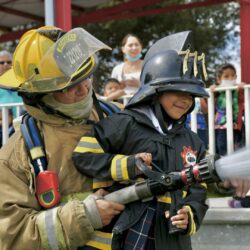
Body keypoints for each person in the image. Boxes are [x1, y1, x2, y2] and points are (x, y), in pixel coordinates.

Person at [73, 31, 210, 250]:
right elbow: (83, 155)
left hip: (172, 240)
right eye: (178, 91)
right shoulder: (124, 124)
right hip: (128, 234)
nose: (186, 100)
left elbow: (199, 188)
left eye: (192, 95)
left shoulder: (193, 141)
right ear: (155, 91)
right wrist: (127, 165)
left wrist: (190, 214)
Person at [0, 26, 125, 250]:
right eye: (68, 87)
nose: (84, 89)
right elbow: (12, 236)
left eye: (85, 76)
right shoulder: (15, 156)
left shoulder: (121, 117)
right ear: (38, 96)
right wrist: (84, 216)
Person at [210, 63, 245, 156]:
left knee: (235, 147)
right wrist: (212, 90)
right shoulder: (218, 91)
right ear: (218, 79)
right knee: (220, 146)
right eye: (226, 76)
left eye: (233, 76)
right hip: (220, 125)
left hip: (235, 125)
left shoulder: (237, 90)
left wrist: (242, 89)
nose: (230, 79)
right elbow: (209, 103)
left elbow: (243, 101)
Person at [0, 50, 23, 117]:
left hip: (23, 124)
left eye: (9, 62)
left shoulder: (22, 82)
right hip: (4, 126)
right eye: (2, 62)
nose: (6, 64)